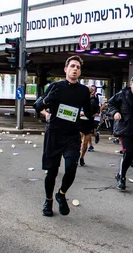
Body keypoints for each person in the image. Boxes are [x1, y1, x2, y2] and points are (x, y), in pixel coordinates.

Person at [38, 55, 92, 217]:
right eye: (72, 66)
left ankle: (61, 194)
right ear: (66, 69)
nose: (75, 69)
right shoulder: (55, 87)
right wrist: (46, 100)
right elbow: (37, 106)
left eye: (78, 67)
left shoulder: (83, 91)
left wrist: (93, 110)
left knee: (71, 168)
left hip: (72, 136)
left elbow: (88, 113)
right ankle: (48, 201)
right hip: (54, 134)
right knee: (52, 172)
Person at [78, 85, 101, 166]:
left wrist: (88, 114)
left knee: (85, 142)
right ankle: (76, 156)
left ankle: (82, 157)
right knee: (78, 141)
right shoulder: (79, 98)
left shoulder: (95, 100)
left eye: (91, 90)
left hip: (89, 123)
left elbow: (97, 112)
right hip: (79, 122)